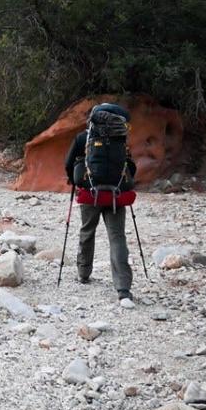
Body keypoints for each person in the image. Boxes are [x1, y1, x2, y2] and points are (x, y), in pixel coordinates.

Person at [63, 103, 137, 302]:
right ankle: (123, 288)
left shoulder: (83, 138)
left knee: (87, 231)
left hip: (90, 193)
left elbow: (68, 164)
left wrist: (74, 179)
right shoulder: (121, 139)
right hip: (116, 196)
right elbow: (131, 166)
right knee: (117, 238)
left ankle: (84, 273)